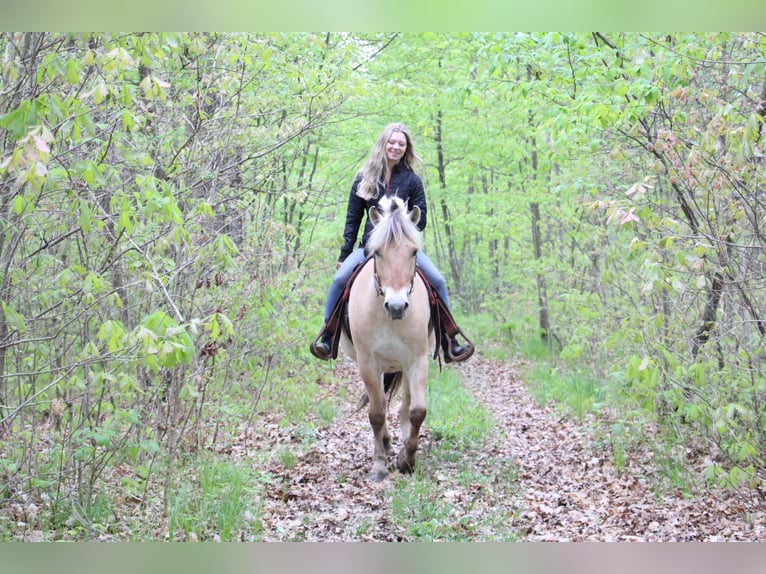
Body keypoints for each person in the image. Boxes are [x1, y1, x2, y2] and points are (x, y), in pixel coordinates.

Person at [312, 122, 472, 362]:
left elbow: (422, 218)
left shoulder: (412, 180)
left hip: (403, 251)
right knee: (338, 281)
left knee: (438, 280)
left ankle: (450, 339)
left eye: (401, 144)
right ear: (383, 144)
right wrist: (345, 254)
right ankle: (328, 336)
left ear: (406, 148)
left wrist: (402, 232)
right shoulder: (363, 179)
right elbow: (353, 219)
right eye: (392, 142)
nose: (396, 147)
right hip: (370, 248)